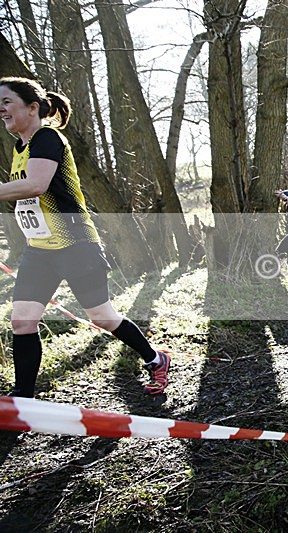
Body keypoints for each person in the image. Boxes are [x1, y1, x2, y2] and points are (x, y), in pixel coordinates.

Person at [0, 77, 170, 397]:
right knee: (22, 321)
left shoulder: (47, 138)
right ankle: (23, 398)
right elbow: (26, 197)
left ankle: (156, 358)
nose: (1, 109)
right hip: (39, 250)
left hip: (75, 244)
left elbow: (36, 184)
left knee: (102, 317)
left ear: (32, 107)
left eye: (7, 102)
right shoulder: (19, 147)